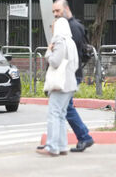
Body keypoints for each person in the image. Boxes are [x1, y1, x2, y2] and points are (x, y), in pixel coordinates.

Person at [38, 0, 94, 152]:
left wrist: (50, 51)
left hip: (66, 76)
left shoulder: (69, 30)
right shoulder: (70, 29)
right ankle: (61, 142)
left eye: (58, 11)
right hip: (70, 75)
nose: (55, 15)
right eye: (54, 12)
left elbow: (61, 58)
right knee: (63, 110)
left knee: (60, 110)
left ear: (66, 8)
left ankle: (79, 137)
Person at [36, 17, 78, 157]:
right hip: (70, 83)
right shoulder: (70, 41)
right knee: (61, 115)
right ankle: (62, 146)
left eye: (52, 26)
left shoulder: (59, 40)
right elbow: (76, 64)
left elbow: (54, 62)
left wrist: (48, 52)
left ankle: (52, 146)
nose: (52, 28)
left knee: (54, 114)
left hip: (59, 84)